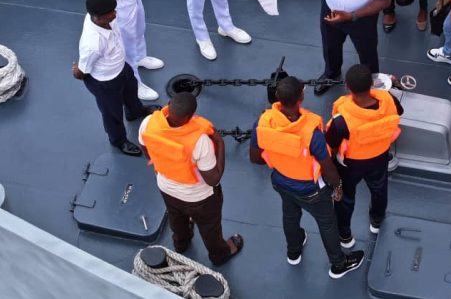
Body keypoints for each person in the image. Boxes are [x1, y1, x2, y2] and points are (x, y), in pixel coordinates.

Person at [249, 76, 365, 279]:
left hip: (281, 182)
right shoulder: (311, 132)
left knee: (290, 215)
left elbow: (255, 158)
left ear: (277, 97)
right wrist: (337, 186)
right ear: (301, 97)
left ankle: (293, 252)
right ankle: (338, 264)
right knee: (327, 223)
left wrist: (280, 161)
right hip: (312, 191)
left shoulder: (263, 122)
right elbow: (328, 168)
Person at [139, 92, 243, 265]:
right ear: (191, 117)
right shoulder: (200, 141)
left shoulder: (148, 123)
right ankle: (219, 255)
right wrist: (220, 144)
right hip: (199, 199)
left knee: (176, 217)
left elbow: (145, 147)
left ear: (169, 105)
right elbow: (213, 179)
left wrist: (161, 166)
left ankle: (181, 244)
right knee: (210, 227)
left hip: (166, 188)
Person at [72, 0, 159, 156]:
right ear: (98, 18)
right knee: (112, 113)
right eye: (110, 13)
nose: (115, 14)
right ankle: (118, 140)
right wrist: (76, 71)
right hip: (105, 82)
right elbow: (82, 72)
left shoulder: (100, 17)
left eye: (114, 10)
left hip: (121, 68)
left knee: (131, 91)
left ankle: (134, 112)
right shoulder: (92, 44)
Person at [325, 64, 403, 245]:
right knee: (379, 189)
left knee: (346, 198)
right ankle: (377, 221)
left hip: (350, 165)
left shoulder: (341, 120)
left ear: (347, 86)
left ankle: (345, 235)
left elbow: (332, 144)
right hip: (380, 157)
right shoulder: (388, 100)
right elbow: (399, 111)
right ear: (372, 84)